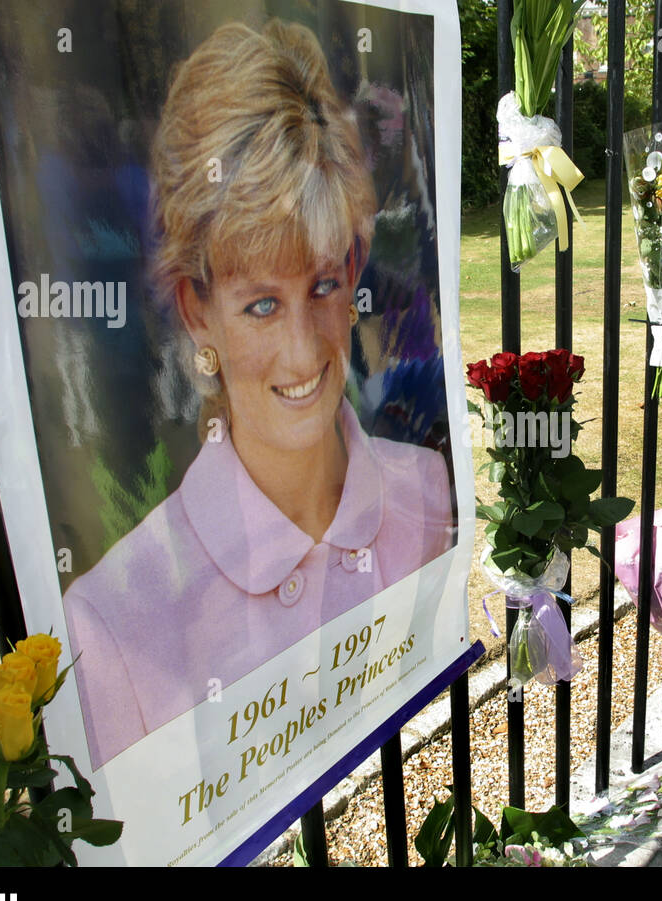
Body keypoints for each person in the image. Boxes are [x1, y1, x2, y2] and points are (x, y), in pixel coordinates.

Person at [62, 20, 455, 768]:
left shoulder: (430, 494)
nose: (305, 351)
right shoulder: (111, 626)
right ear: (195, 309)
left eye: (324, 285)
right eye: (262, 305)